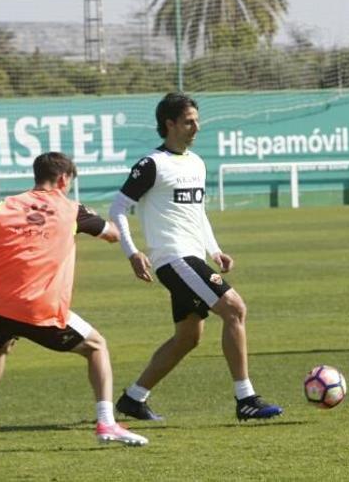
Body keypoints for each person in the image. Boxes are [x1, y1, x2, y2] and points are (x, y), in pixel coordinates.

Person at [0, 151, 148, 446]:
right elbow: (112, 234)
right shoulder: (72, 209)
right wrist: (112, 223)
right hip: (38, 308)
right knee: (97, 346)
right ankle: (106, 423)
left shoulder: (0, 207)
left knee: (2, 344)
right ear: (63, 179)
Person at [108, 92, 283, 422]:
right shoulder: (151, 165)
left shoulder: (196, 163)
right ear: (169, 124)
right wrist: (132, 252)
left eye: (197, 120)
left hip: (192, 257)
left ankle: (133, 398)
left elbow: (196, 214)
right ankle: (246, 399)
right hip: (173, 258)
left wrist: (214, 248)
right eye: (189, 121)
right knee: (235, 309)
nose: (196, 127)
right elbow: (117, 208)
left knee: (188, 336)